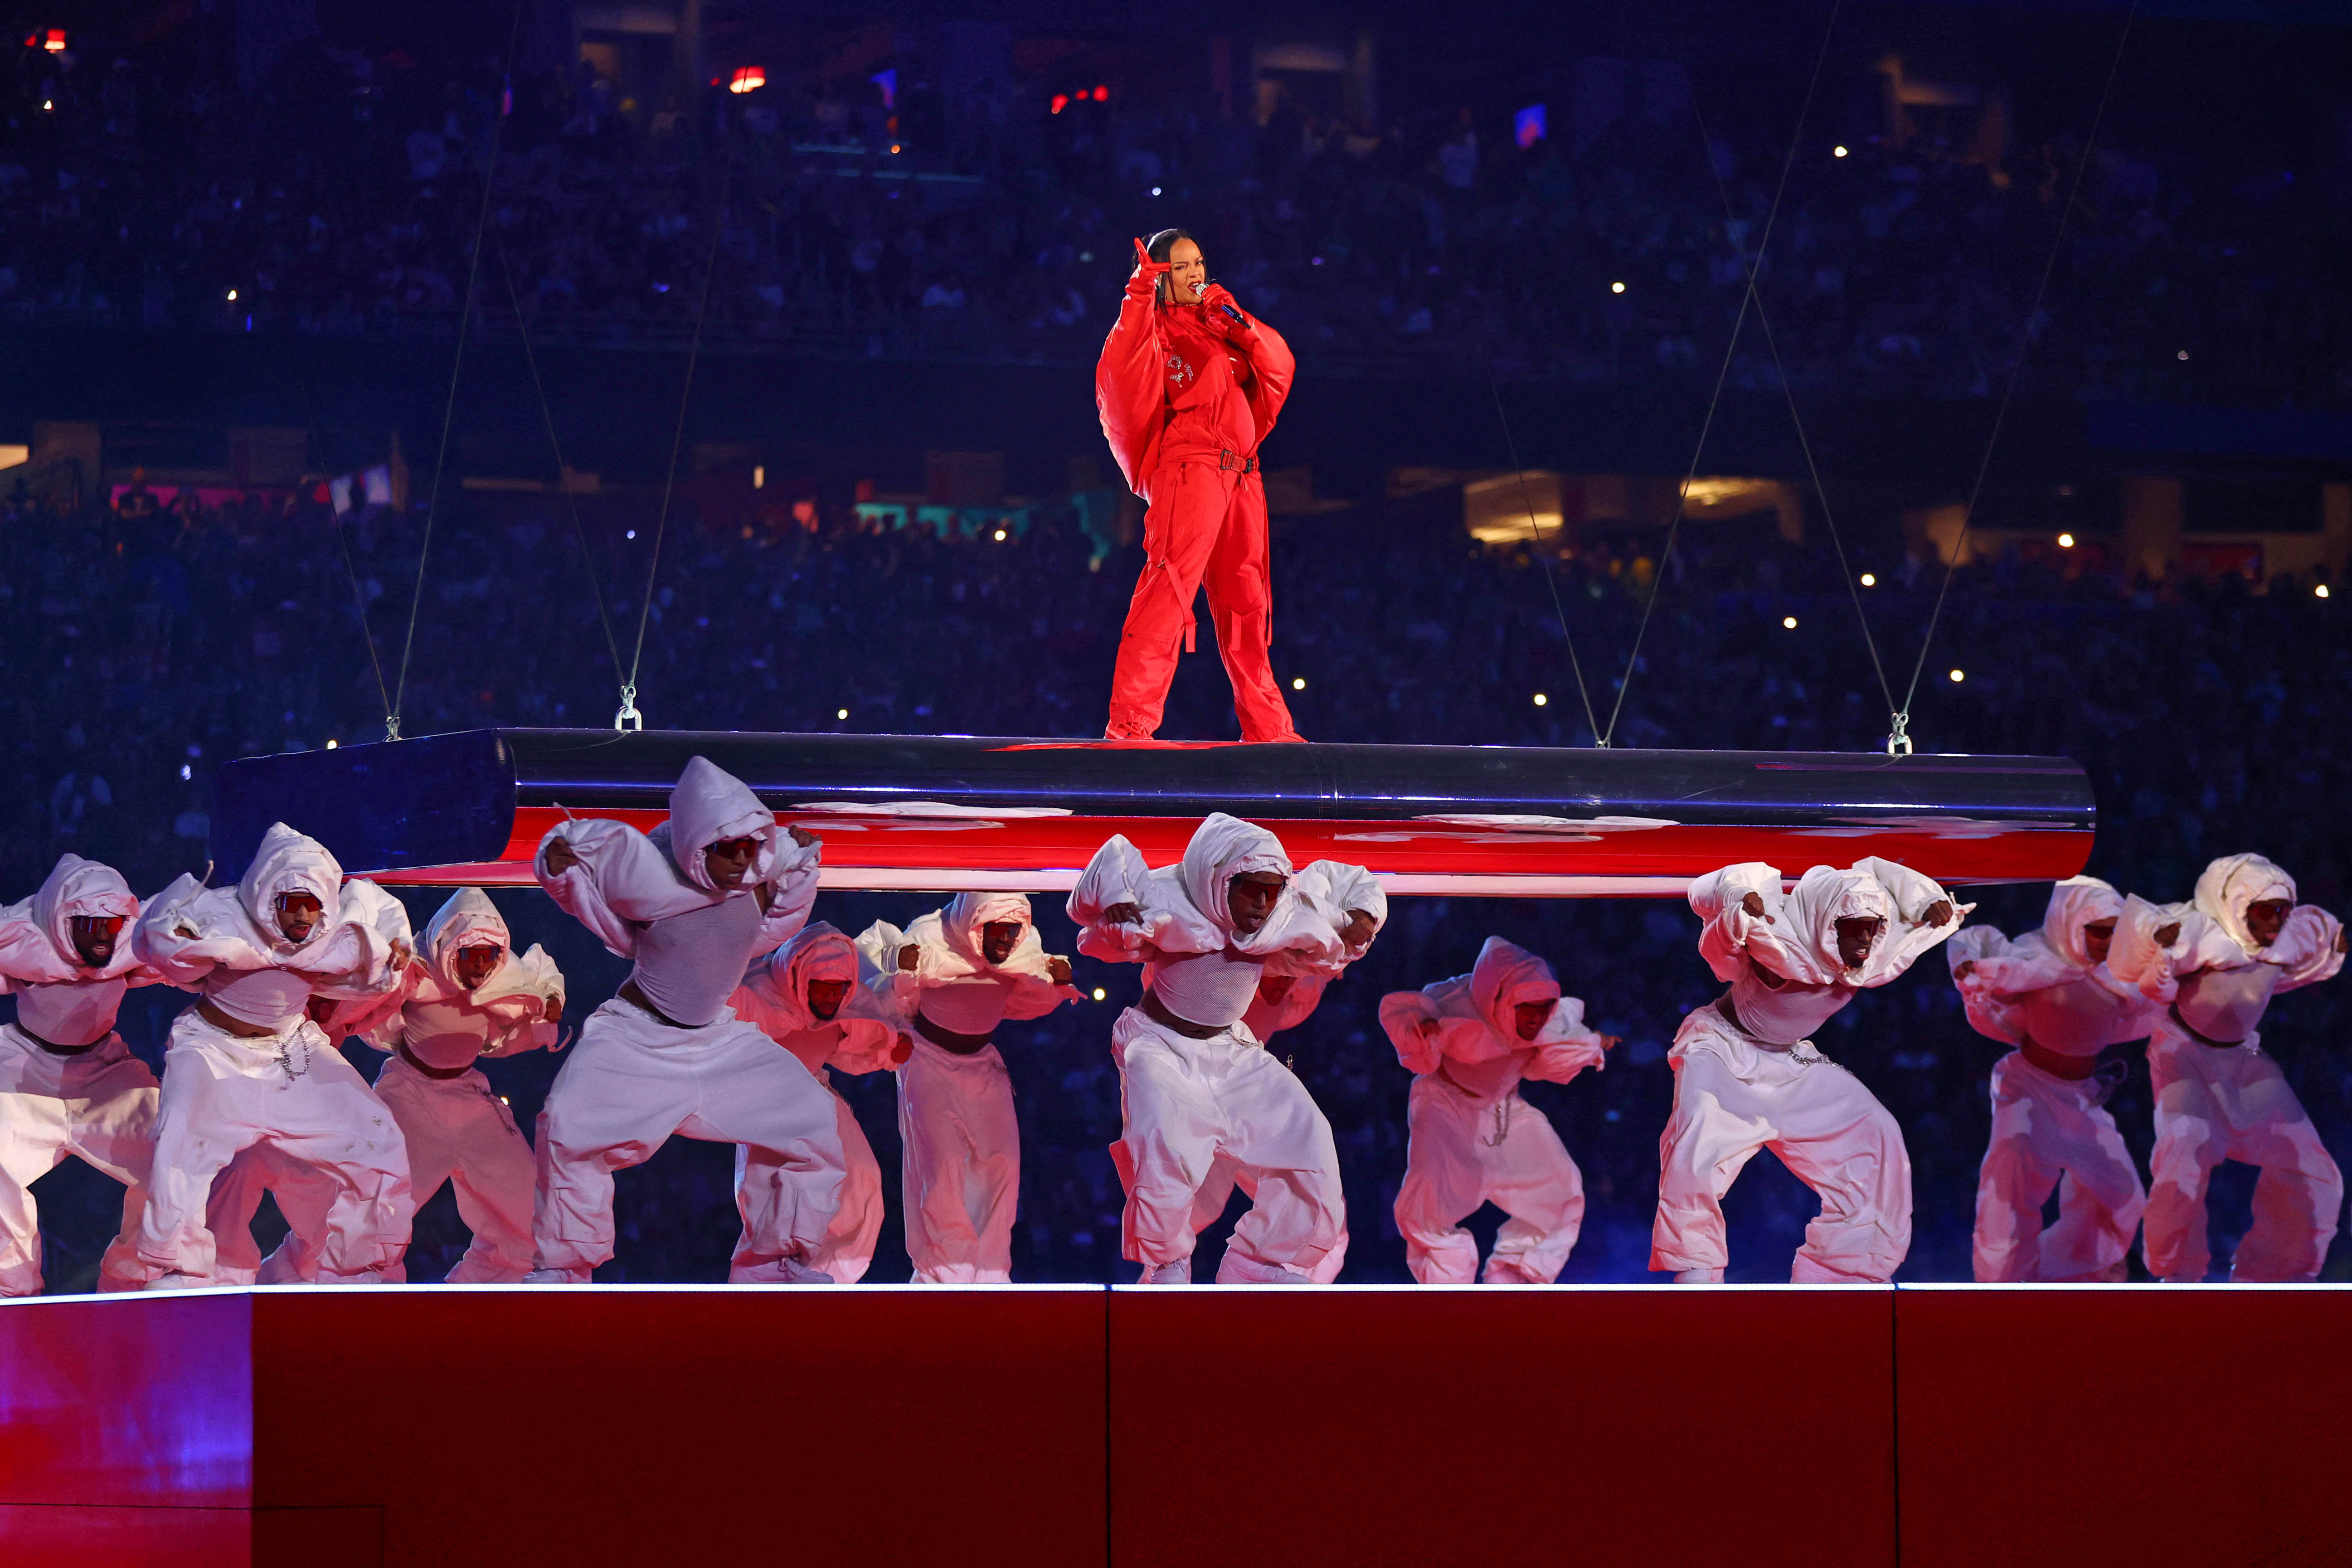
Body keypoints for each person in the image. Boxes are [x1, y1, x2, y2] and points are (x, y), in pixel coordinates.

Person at [527, 756, 843, 1284]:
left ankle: (776, 1266)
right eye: (728, 848)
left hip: (721, 1040)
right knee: (566, 1126)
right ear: (699, 843)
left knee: (810, 1120)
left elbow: (781, 909)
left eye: (750, 846)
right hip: (635, 1037)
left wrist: (803, 852)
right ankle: (563, 1267)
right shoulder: (645, 886)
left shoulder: (761, 883)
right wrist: (556, 867)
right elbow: (581, 894)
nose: (741, 858)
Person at [1069, 813, 1383, 1283]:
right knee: (1163, 1145)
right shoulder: (1171, 897)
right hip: (1160, 1045)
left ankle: (1261, 1262)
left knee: (1308, 1134)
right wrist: (1117, 900)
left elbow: (1349, 880)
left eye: (1270, 889)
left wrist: (1361, 916)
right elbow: (1113, 858)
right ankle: (1167, 1261)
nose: (1261, 902)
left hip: (1232, 1049)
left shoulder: (1283, 911)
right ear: (1221, 878)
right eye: (1250, 888)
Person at [213, 888, 566, 1286]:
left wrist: (551, 998)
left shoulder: (505, 976)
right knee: (361, 1217)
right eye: (472, 955)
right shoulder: (414, 972)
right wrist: (332, 1006)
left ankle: (482, 1302)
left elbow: (540, 980)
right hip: (410, 1099)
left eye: (488, 954)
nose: (481, 964)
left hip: (470, 1098)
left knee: (527, 1213)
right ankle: (291, 1289)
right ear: (451, 948)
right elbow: (364, 993)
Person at [129, 823, 416, 1288]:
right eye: (291, 904)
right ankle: (178, 1268)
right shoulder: (223, 914)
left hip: (291, 1050)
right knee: (181, 1141)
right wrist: (176, 932)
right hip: (212, 1046)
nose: (303, 916)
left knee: (376, 1135)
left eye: (312, 904)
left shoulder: (338, 927)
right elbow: (157, 933)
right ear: (269, 898)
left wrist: (397, 946)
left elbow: (380, 914)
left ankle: (361, 1267)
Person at [1652, 859, 1964, 1285]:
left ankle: (1839, 1277)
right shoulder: (1777, 937)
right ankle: (1696, 1274)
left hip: (1791, 1059)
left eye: (1871, 926)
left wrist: (1927, 898)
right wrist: (1740, 900)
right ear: (1826, 921)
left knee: (1877, 1131)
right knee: (1697, 1145)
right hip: (1721, 1047)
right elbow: (1716, 885)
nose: (1865, 938)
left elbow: (1877, 871)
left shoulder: (1874, 949)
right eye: (1853, 927)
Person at [1094, 228, 1302, 743]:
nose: (1196, 274)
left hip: (1242, 475)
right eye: (1181, 266)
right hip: (1192, 468)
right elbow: (1120, 366)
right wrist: (1140, 291)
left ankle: (1269, 731)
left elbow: (1279, 365)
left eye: (1200, 263)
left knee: (1247, 604)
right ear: (1162, 276)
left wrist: (1233, 318)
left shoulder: (1220, 325)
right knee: (1168, 589)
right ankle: (1131, 727)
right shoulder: (1153, 327)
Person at [2109, 853, 2347, 1283]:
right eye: (2264, 911)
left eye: (2282, 911)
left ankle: (2275, 1274)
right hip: (2183, 1053)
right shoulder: (2199, 933)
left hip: (2242, 1059)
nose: (2275, 921)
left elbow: (2311, 952)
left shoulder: (2289, 937)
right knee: (2186, 1144)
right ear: (2239, 905)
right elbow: (2147, 972)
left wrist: (2335, 947)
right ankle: (2176, 1272)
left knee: (2311, 1164)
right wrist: (2160, 945)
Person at [854, 893, 1078, 1283]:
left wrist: (1055, 980)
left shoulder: (1026, 944)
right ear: (977, 922)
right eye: (1001, 931)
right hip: (927, 1059)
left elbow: (1030, 995)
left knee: (1002, 1165)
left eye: (1014, 931)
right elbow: (887, 986)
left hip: (983, 1064)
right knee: (940, 1168)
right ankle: (944, 1274)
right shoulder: (930, 935)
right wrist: (897, 964)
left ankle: (991, 1273)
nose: (1008, 940)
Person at [1948, 877, 2156, 1283]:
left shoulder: (2121, 973)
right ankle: (1998, 1291)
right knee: (2008, 1196)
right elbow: (1982, 956)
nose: (2106, 941)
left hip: (2082, 1098)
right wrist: (1971, 969)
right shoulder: (2034, 957)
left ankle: (2061, 1273)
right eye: (2097, 931)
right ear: (2073, 924)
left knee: (2124, 1198)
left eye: (2114, 932)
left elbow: (2156, 994)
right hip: (2027, 1089)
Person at [1379, 937, 1618, 1284]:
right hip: (1446, 1105)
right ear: (1503, 998)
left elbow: (1564, 1038)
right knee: (1429, 1203)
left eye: (1544, 1007)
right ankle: (1445, 1292)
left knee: (1561, 1189)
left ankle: (1513, 1279)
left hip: (1504, 1109)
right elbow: (1409, 1023)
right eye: (1528, 1008)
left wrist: (1595, 1041)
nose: (1537, 1018)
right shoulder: (1452, 1000)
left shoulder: (1548, 1021)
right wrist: (1426, 1031)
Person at [0, 854, 170, 1295]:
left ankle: (134, 1281)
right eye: (88, 925)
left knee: (178, 1156)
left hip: (103, 1072)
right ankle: (11, 1288)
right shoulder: (22, 939)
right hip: (23, 1068)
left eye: (109, 925)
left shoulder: (132, 942)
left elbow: (193, 954)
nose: (101, 937)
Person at [729, 922, 912, 1284]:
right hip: (763, 1098)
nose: (831, 999)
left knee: (862, 1176)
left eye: (838, 990)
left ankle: (830, 1274)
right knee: (782, 1186)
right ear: (800, 980)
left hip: (814, 1090)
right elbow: (703, 1017)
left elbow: (857, 1042)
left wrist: (890, 1048)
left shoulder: (849, 1001)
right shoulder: (758, 992)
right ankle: (767, 1274)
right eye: (822, 989)